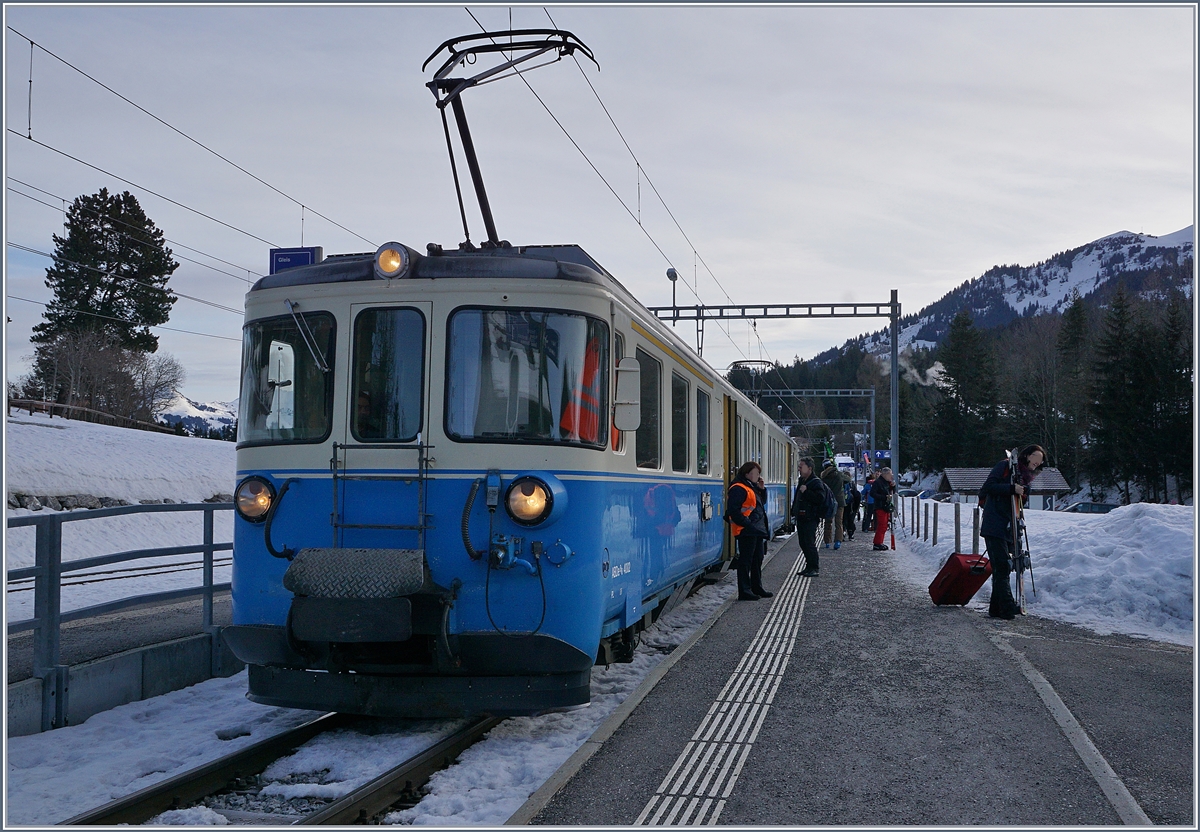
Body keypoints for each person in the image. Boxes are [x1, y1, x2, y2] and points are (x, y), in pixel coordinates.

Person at [979, 444, 1046, 620]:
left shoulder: (1023, 476)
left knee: (1002, 568)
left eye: (1040, 462)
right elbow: (988, 487)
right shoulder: (1005, 466)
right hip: (994, 524)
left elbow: (1019, 499)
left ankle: (996, 608)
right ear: (1027, 456)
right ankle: (1007, 607)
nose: (1037, 464)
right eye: (1036, 459)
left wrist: (1024, 492)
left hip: (1010, 527)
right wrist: (1011, 489)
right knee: (1001, 565)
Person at [726, 461, 773, 601]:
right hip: (746, 530)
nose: (758, 475)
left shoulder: (750, 487)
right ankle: (744, 590)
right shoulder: (738, 488)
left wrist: (762, 489)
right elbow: (733, 510)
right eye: (756, 473)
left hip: (755, 529)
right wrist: (747, 524)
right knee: (746, 561)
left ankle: (756, 587)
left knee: (757, 559)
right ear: (747, 474)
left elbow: (759, 504)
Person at [791, 457, 825, 577]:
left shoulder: (815, 482)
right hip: (801, 517)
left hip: (810, 517)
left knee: (809, 543)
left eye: (801, 467)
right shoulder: (802, 480)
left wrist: (807, 492)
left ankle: (814, 567)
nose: (799, 469)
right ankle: (808, 566)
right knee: (803, 543)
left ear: (809, 468)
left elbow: (820, 498)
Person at [820, 459, 849, 550]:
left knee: (828, 522)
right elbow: (848, 479)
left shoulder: (823, 477)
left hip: (829, 501)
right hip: (839, 501)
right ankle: (838, 541)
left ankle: (827, 542)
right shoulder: (838, 474)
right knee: (838, 522)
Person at [870, 468, 895, 551]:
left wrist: (892, 487)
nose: (891, 476)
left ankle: (880, 542)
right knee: (882, 525)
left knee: (884, 525)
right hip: (880, 506)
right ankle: (877, 543)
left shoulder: (886, 483)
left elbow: (891, 492)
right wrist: (884, 497)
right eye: (890, 474)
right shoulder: (878, 482)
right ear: (885, 474)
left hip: (885, 506)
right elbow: (872, 493)